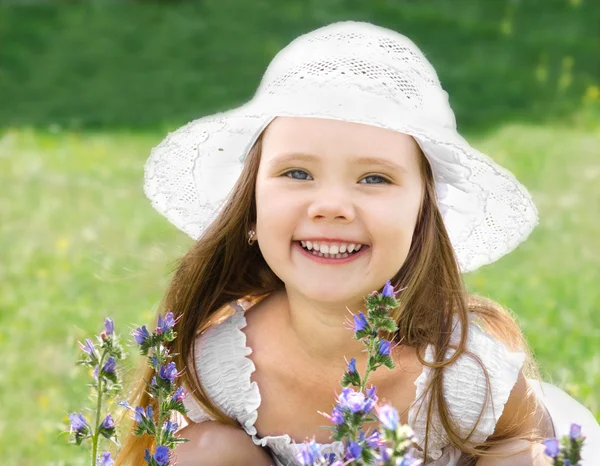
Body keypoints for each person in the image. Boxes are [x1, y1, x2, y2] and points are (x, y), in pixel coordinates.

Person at [113, 21, 600, 465]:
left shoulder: (463, 373)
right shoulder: (218, 367)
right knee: (200, 450)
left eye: (374, 178)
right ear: (251, 209)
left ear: (423, 218)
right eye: (297, 172)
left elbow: (538, 447)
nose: (332, 206)